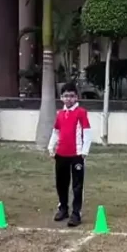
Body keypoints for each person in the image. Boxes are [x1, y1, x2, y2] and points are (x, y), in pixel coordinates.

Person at [47, 82, 91, 227]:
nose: (69, 99)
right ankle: (63, 208)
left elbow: (87, 132)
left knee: (77, 185)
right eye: (66, 96)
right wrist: (51, 147)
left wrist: (84, 151)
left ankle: (76, 213)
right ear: (61, 97)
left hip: (76, 154)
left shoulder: (81, 112)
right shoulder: (60, 114)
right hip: (61, 154)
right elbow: (56, 132)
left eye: (71, 96)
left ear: (76, 97)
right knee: (61, 183)